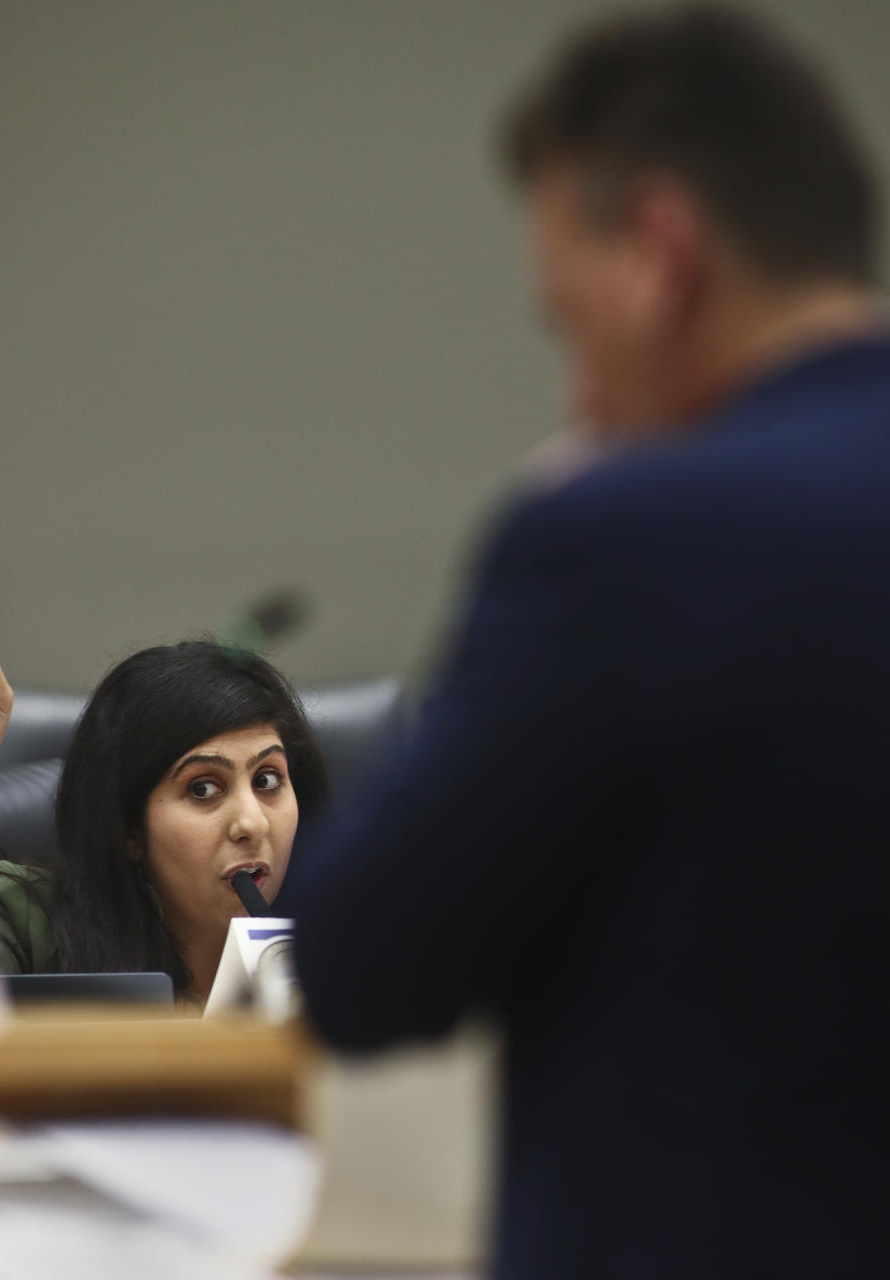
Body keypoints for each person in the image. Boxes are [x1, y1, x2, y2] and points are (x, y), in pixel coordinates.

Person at [293, 7, 890, 1278]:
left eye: (567, 322)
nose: (577, 390)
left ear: (661, 256)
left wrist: (549, 540)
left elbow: (359, 962)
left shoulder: (626, 539)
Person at [0, 561, 328, 1004]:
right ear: (129, 832)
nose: (251, 823)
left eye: (268, 779)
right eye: (203, 789)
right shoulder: (30, 923)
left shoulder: (343, 937)